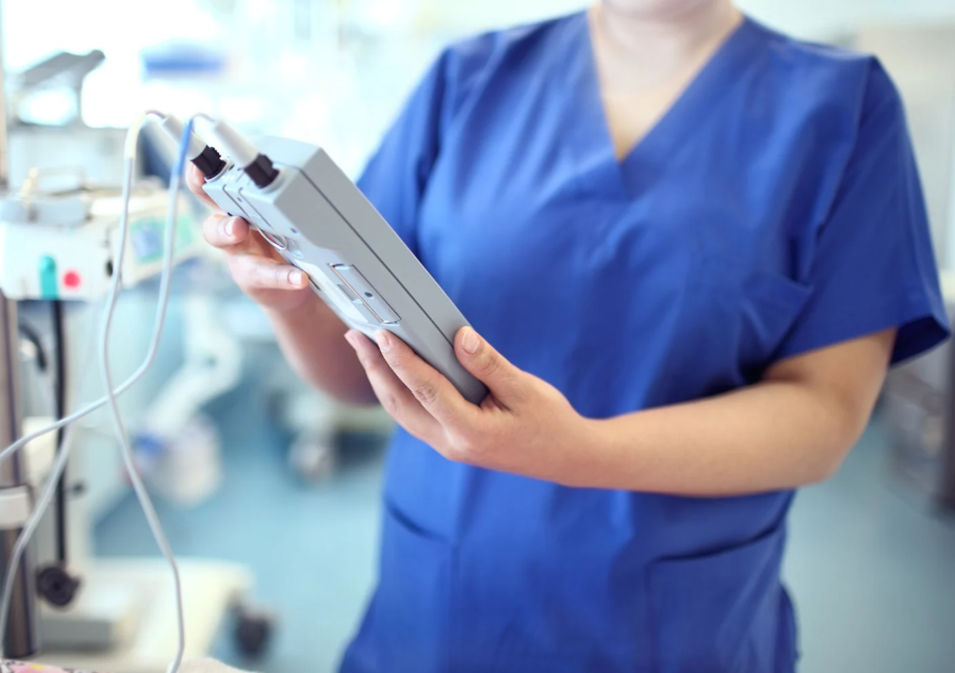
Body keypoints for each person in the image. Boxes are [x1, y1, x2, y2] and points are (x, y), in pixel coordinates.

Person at [187, 0, 950, 670]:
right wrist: (290, 302)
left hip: (673, 625)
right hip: (442, 613)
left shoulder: (842, 110)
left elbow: (821, 419)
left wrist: (576, 451)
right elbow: (359, 374)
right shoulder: (466, 84)